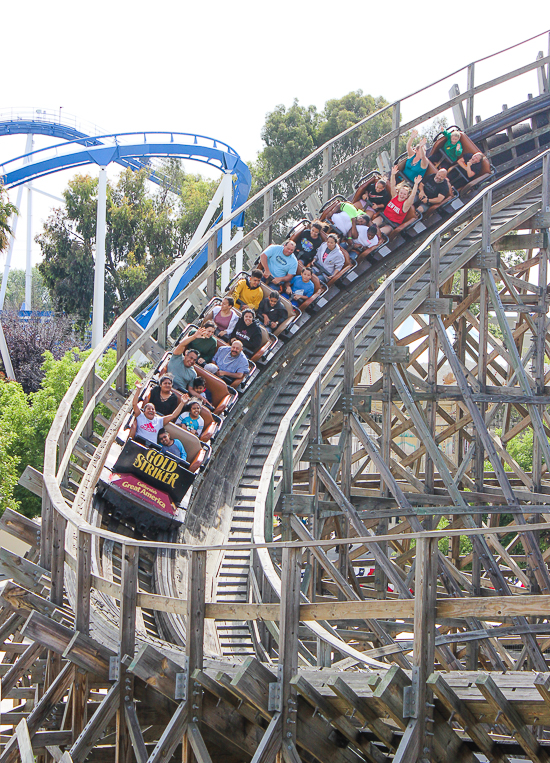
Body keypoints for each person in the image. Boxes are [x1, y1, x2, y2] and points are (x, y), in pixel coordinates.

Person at [372, 166, 421, 236]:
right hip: (383, 217)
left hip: (391, 224)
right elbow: (392, 185)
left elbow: (412, 196)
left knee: (378, 233)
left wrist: (416, 184)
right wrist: (393, 174)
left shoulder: (405, 204)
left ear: (407, 196)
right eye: (401, 193)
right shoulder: (395, 196)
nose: (402, 195)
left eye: (404, 194)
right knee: (372, 226)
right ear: (399, 192)